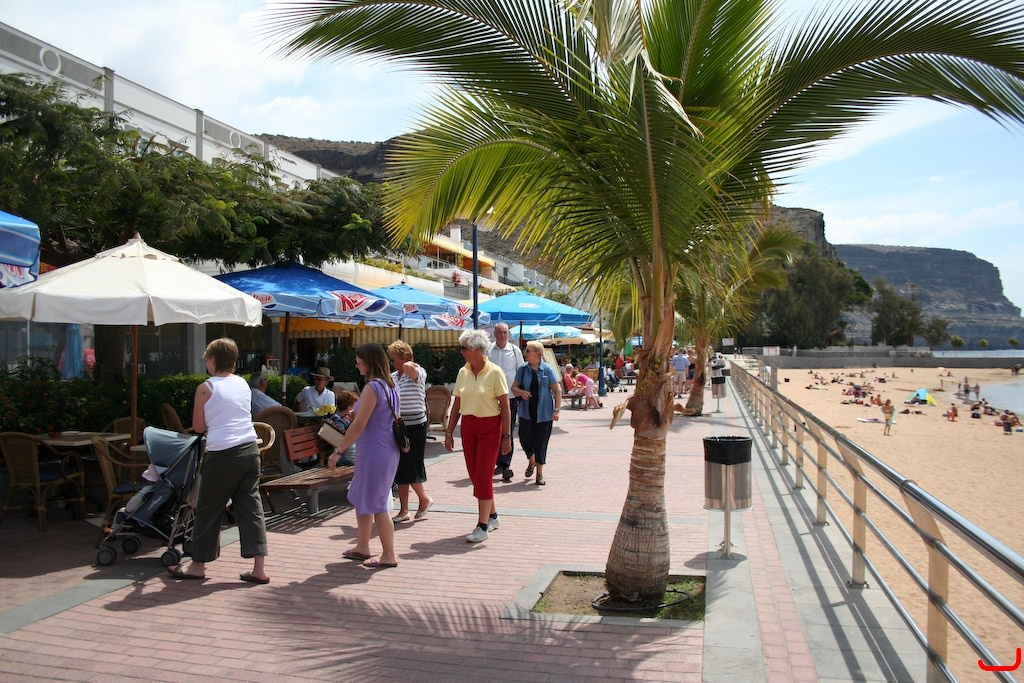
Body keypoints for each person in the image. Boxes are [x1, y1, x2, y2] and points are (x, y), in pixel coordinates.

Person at [168, 338, 268, 583]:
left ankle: (198, 565)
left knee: (209, 507)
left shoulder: (206, 388)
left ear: (213, 360)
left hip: (223, 452)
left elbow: (198, 427)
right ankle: (259, 568)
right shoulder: (243, 384)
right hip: (250, 449)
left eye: (207, 360)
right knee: (251, 507)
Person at [327, 344, 401, 568]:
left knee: (377, 503)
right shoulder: (390, 385)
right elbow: (380, 416)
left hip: (374, 452)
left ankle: (389, 554)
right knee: (364, 498)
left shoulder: (372, 387)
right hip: (384, 450)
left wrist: (339, 451)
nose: (356, 364)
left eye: (359, 360)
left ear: (368, 362)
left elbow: (359, 425)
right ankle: (362, 546)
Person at [444, 329, 512, 543]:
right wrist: (449, 431)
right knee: (475, 475)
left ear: (476, 349)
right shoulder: (463, 372)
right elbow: (457, 404)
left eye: (464, 348)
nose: (461, 351)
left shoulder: (495, 372)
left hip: (490, 426)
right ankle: (493, 516)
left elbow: (505, 407)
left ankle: (482, 526)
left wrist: (507, 436)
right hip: (468, 426)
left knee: (483, 476)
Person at [387, 340, 433, 523]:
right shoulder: (393, 376)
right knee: (400, 467)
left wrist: (407, 362)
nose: (391, 363)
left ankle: (424, 498)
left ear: (404, 358)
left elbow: (408, 368)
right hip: (399, 426)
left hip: (416, 426)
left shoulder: (417, 371)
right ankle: (404, 509)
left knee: (411, 465)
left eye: (393, 359)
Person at [510, 341, 561, 485]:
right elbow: (514, 388)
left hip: (544, 414)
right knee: (524, 439)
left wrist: (556, 410)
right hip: (526, 412)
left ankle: (539, 474)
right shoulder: (523, 369)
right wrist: (521, 392)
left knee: (541, 443)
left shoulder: (547, 369)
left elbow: (557, 390)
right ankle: (532, 460)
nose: (525, 353)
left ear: (537, 354)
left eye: (528, 351)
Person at [488, 322, 524, 482]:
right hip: (491, 397)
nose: (503, 335)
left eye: (505, 333)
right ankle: (494, 461)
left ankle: (505, 464)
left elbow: (520, 372)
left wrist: (520, 392)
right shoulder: (488, 350)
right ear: (494, 334)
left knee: (507, 429)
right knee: (493, 429)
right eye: (500, 332)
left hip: (510, 397)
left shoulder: (515, 351)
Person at [328, 390, 359, 466]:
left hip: (349, 454)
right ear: (349, 408)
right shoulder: (336, 420)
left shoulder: (345, 419)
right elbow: (343, 438)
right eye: (355, 407)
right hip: (345, 457)